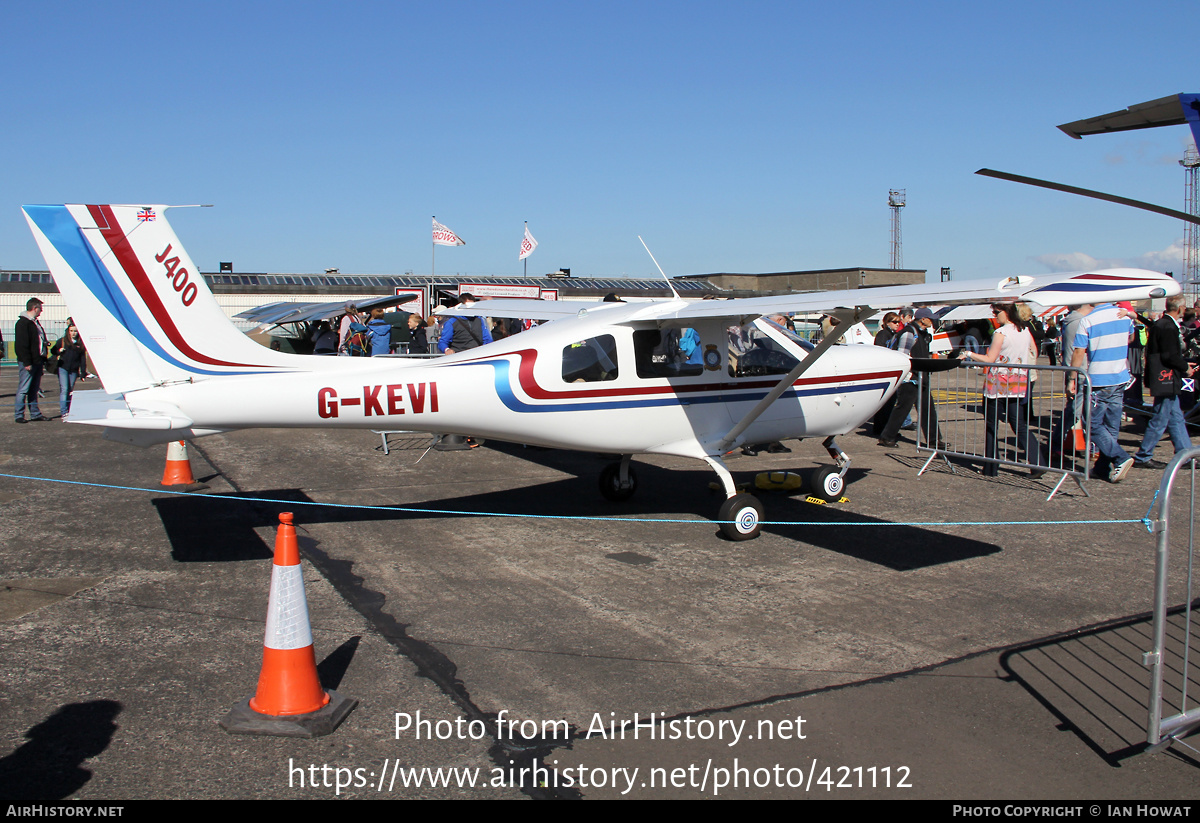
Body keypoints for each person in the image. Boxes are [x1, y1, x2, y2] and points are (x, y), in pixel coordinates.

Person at [962, 303, 1046, 477]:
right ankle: (1038, 463)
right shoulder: (1023, 330)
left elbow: (990, 358)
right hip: (1017, 381)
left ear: (1006, 313)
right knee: (1019, 424)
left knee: (992, 425)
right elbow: (1033, 351)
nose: (994, 315)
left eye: (996, 312)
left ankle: (991, 466)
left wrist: (969, 354)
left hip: (998, 382)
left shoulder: (1001, 333)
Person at [1068, 302, 1135, 482]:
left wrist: (1072, 377)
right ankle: (1102, 467)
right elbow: (1131, 338)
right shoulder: (1124, 316)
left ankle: (1121, 457)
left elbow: (1079, 352)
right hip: (1120, 375)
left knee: (1091, 423)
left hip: (1099, 378)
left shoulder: (1088, 320)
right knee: (1111, 426)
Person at [1132, 295, 1195, 469]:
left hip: (1164, 377)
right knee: (1160, 418)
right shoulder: (1167, 326)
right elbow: (1168, 355)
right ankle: (1143, 455)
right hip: (1165, 377)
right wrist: (1185, 367)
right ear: (1180, 308)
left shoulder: (1162, 324)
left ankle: (1185, 454)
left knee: (1176, 418)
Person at [877, 307, 943, 449]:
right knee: (902, 408)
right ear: (923, 319)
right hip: (912, 377)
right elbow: (903, 356)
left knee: (927, 408)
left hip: (921, 376)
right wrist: (906, 377)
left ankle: (934, 440)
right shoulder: (909, 333)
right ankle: (887, 437)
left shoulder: (921, 333)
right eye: (930, 319)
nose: (932, 321)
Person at [15, 298, 49, 423]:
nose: (41, 310)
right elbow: (21, 345)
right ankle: (19, 415)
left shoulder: (35, 323)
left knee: (34, 389)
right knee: (23, 389)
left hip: (37, 360)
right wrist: (27, 362)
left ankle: (35, 413)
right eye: (40, 308)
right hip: (29, 362)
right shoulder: (23, 323)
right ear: (35, 308)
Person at [51, 321, 88, 418]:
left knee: (70, 389)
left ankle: (69, 408)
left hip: (74, 370)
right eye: (71, 331)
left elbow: (82, 359)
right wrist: (58, 351)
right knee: (64, 389)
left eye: (75, 331)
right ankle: (64, 411)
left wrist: (83, 372)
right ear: (68, 331)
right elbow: (53, 350)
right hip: (63, 367)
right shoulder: (62, 341)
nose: (73, 333)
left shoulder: (80, 343)